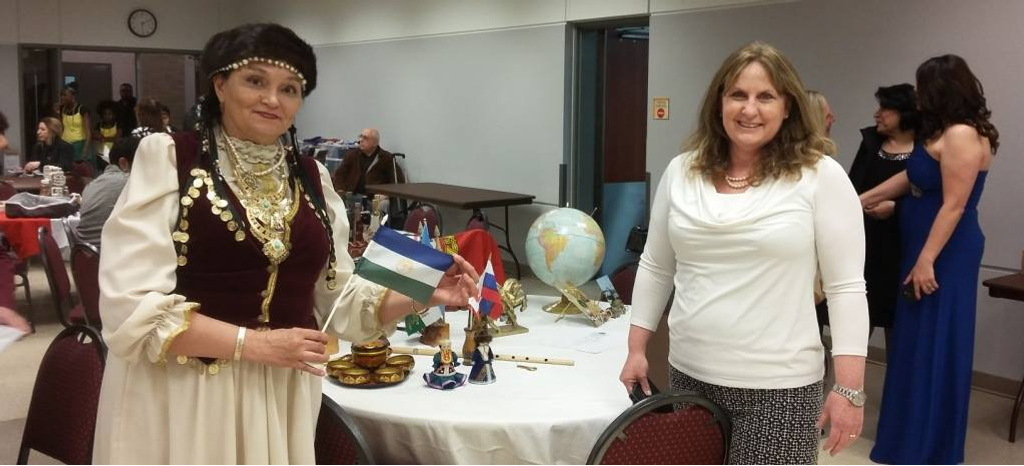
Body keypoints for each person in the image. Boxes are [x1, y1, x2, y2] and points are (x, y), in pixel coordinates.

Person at [92, 23, 479, 464]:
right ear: (220, 85)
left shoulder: (312, 178)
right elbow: (131, 308)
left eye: (289, 89)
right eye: (255, 81)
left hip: (281, 393)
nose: (272, 99)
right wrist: (255, 345)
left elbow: (337, 302)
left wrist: (422, 292)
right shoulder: (170, 159)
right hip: (185, 395)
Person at [618, 42, 869, 465]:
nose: (749, 109)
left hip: (780, 390)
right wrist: (636, 348)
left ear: (787, 107)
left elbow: (845, 289)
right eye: (738, 94)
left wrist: (849, 389)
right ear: (719, 102)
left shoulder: (819, 177)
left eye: (765, 96)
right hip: (689, 374)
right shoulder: (682, 171)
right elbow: (657, 266)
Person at [863, 55, 997, 465]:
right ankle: (905, 440)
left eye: (922, 87)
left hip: (945, 252)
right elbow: (911, 178)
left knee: (934, 343)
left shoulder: (962, 134)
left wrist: (926, 260)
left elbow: (954, 205)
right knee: (913, 343)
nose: (917, 95)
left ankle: (927, 448)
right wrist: (860, 200)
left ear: (941, 89)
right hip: (923, 245)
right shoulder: (941, 131)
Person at [844, 84, 919, 341]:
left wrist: (896, 209)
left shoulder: (925, 150)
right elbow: (852, 188)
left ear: (904, 112)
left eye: (885, 108)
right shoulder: (870, 143)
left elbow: (930, 198)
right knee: (858, 320)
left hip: (902, 246)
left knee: (898, 323)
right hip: (865, 244)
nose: (877, 114)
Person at [76, 137, 140, 248]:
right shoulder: (130, 183)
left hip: (83, 253)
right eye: (142, 163)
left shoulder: (91, 184)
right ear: (123, 163)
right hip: (110, 253)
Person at [333, 128, 405, 194]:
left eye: (365, 138)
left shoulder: (386, 158)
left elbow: (397, 181)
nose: (361, 140)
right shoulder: (352, 155)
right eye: (360, 136)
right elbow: (339, 175)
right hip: (352, 196)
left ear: (375, 143)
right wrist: (340, 190)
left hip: (375, 198)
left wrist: (387, 195)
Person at [58, 85, 93, 166]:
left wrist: (85, 149)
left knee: (81, 170)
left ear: (73, 96)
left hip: (80, 145)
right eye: (61, 95)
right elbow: (59, 127)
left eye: (65, 95)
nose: (62, 97)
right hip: (65, 144)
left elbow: (88, 132)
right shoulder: (61, 109)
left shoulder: (82, 109)